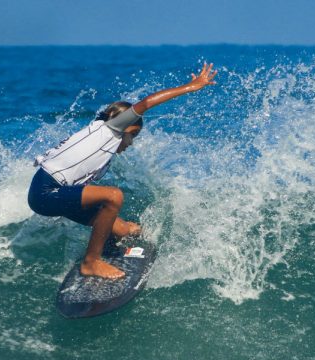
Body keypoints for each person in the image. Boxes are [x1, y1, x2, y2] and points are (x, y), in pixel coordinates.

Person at [28, 63, 217, 279]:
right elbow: (145, 103)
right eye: (133, 136)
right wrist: (191, 87)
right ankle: (91, 263)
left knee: (125, 230)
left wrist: (120, 225)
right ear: (122, 126)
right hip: (45, 192)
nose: (131, 143)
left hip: (55, 192)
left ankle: (109, 246)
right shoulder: (109, 129)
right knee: (113, 196)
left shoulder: (98, 136)